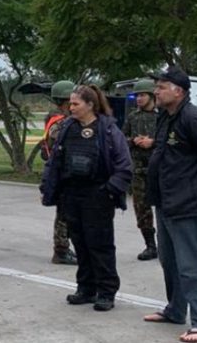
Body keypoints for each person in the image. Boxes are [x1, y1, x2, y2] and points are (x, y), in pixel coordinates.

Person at [143, 67, 197, 343]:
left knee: (192, 265)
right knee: (169, 261)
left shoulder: (193, 118)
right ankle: (175, 310)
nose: (156, 91)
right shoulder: (166, 117)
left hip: (186, 202)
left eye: (161, 87)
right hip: (165, 201)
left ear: (178, 91)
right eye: (156, 86)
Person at [40, 85, 132, 312]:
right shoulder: (68, 128)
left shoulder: (108, 130)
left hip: (98, 196)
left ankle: (106, 292)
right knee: (80, 244)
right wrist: (49, 186)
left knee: (99, 246)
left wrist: (109, 190)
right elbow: (55, 161)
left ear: (90, 105)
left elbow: (124, 166)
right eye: (70, 104)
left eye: (75, 104)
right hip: (72, 195)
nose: (70, 108)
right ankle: (86, 288)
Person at [121, 78, 159, 260]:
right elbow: (122, 138)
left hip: (158, 170)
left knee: (165, 208)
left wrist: (153, 142)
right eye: (137, 96)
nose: (138, 99)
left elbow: (171, 140)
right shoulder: (133, 117)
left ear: (152, 96)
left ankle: (170, 244)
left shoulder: (162, 117)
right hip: (138, 170)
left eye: (142, 95)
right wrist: (133, 141)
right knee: (141, 209)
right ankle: (150, 245)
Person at [41, 80, 78, 265]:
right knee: (64, 212)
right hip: (62, 172)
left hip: (60, 170)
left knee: (67, 211)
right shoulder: (61, 122)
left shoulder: (54, 119)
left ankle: (64, 247)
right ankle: (61, 250)